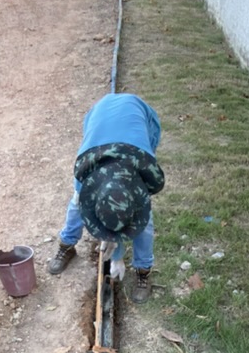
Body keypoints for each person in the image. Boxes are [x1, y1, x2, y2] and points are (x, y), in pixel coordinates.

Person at [48, 93, 165, 303]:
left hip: (138, 116)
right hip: (100, 116)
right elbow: (81, 204)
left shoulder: (145, 171)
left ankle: (143, 270)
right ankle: (66, 245)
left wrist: (117, 254)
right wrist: (115, 247)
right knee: (75, 208)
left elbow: (136, 212)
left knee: (144, 224)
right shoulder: (85, 171)